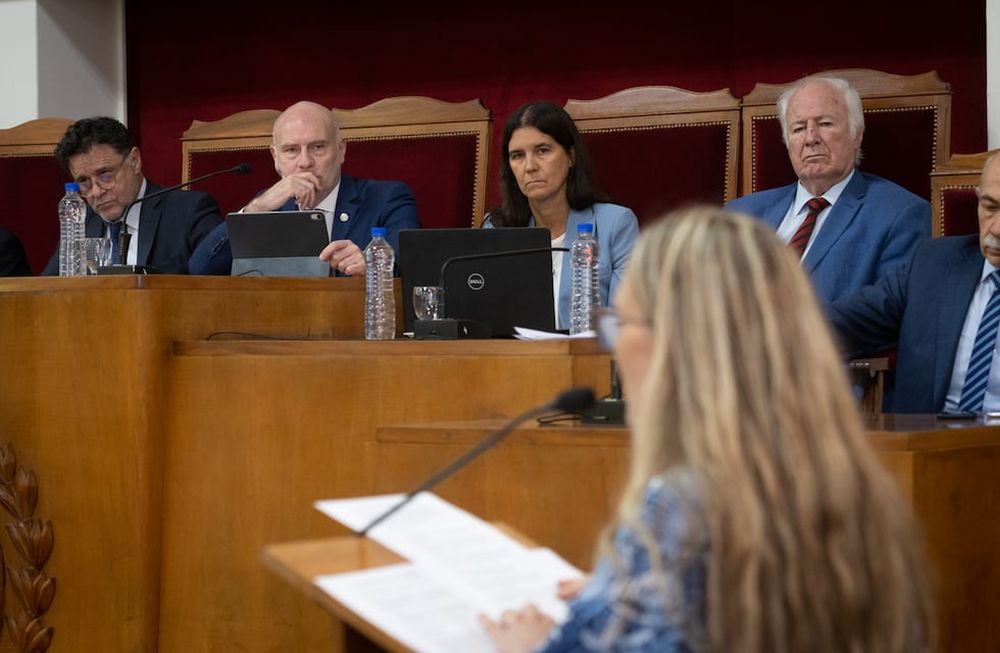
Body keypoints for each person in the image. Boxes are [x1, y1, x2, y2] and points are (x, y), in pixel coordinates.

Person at [481, 207, 933, 652]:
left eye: (620, 324)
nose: (614, 349)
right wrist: (620, 598)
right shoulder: (861, 488)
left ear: (677, 341)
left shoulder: (680, 506)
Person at [727, 76, 930, 304]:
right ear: (787, 142)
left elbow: (890, 311)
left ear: (856, 136)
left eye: (825, 124)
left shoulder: (899, 215)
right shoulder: (739, 215)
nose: (811, 138)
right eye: (799, 128)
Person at [828, 153, 1000, 414]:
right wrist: (761, 332)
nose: (996, 229)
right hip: (923, 445)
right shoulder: (933, 265)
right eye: (990, 208)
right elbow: (843, 322)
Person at [188, 101, 420, 276]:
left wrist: (371, 266)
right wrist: (255, 209)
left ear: (341, 150)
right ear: (275, 157)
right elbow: (200, 269)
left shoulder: (386, 199)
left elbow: (415, 270)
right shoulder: (264, 208)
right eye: (291, 150)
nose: (305, 162)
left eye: (317, 147)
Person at [483, 101, 638, 329]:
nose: (529, 166)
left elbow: (626, 324)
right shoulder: (496, 229)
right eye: (517, 155)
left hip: (591, 360)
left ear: (571, 157)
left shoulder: (616, 224)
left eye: (542, 151)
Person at [42, 117, 220, 275]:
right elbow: (46, 291)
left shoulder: (187, 212)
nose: (96, 192)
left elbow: (218, 277)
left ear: (135, 161)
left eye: (105, 175)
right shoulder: (82, 224)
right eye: (84, 182)